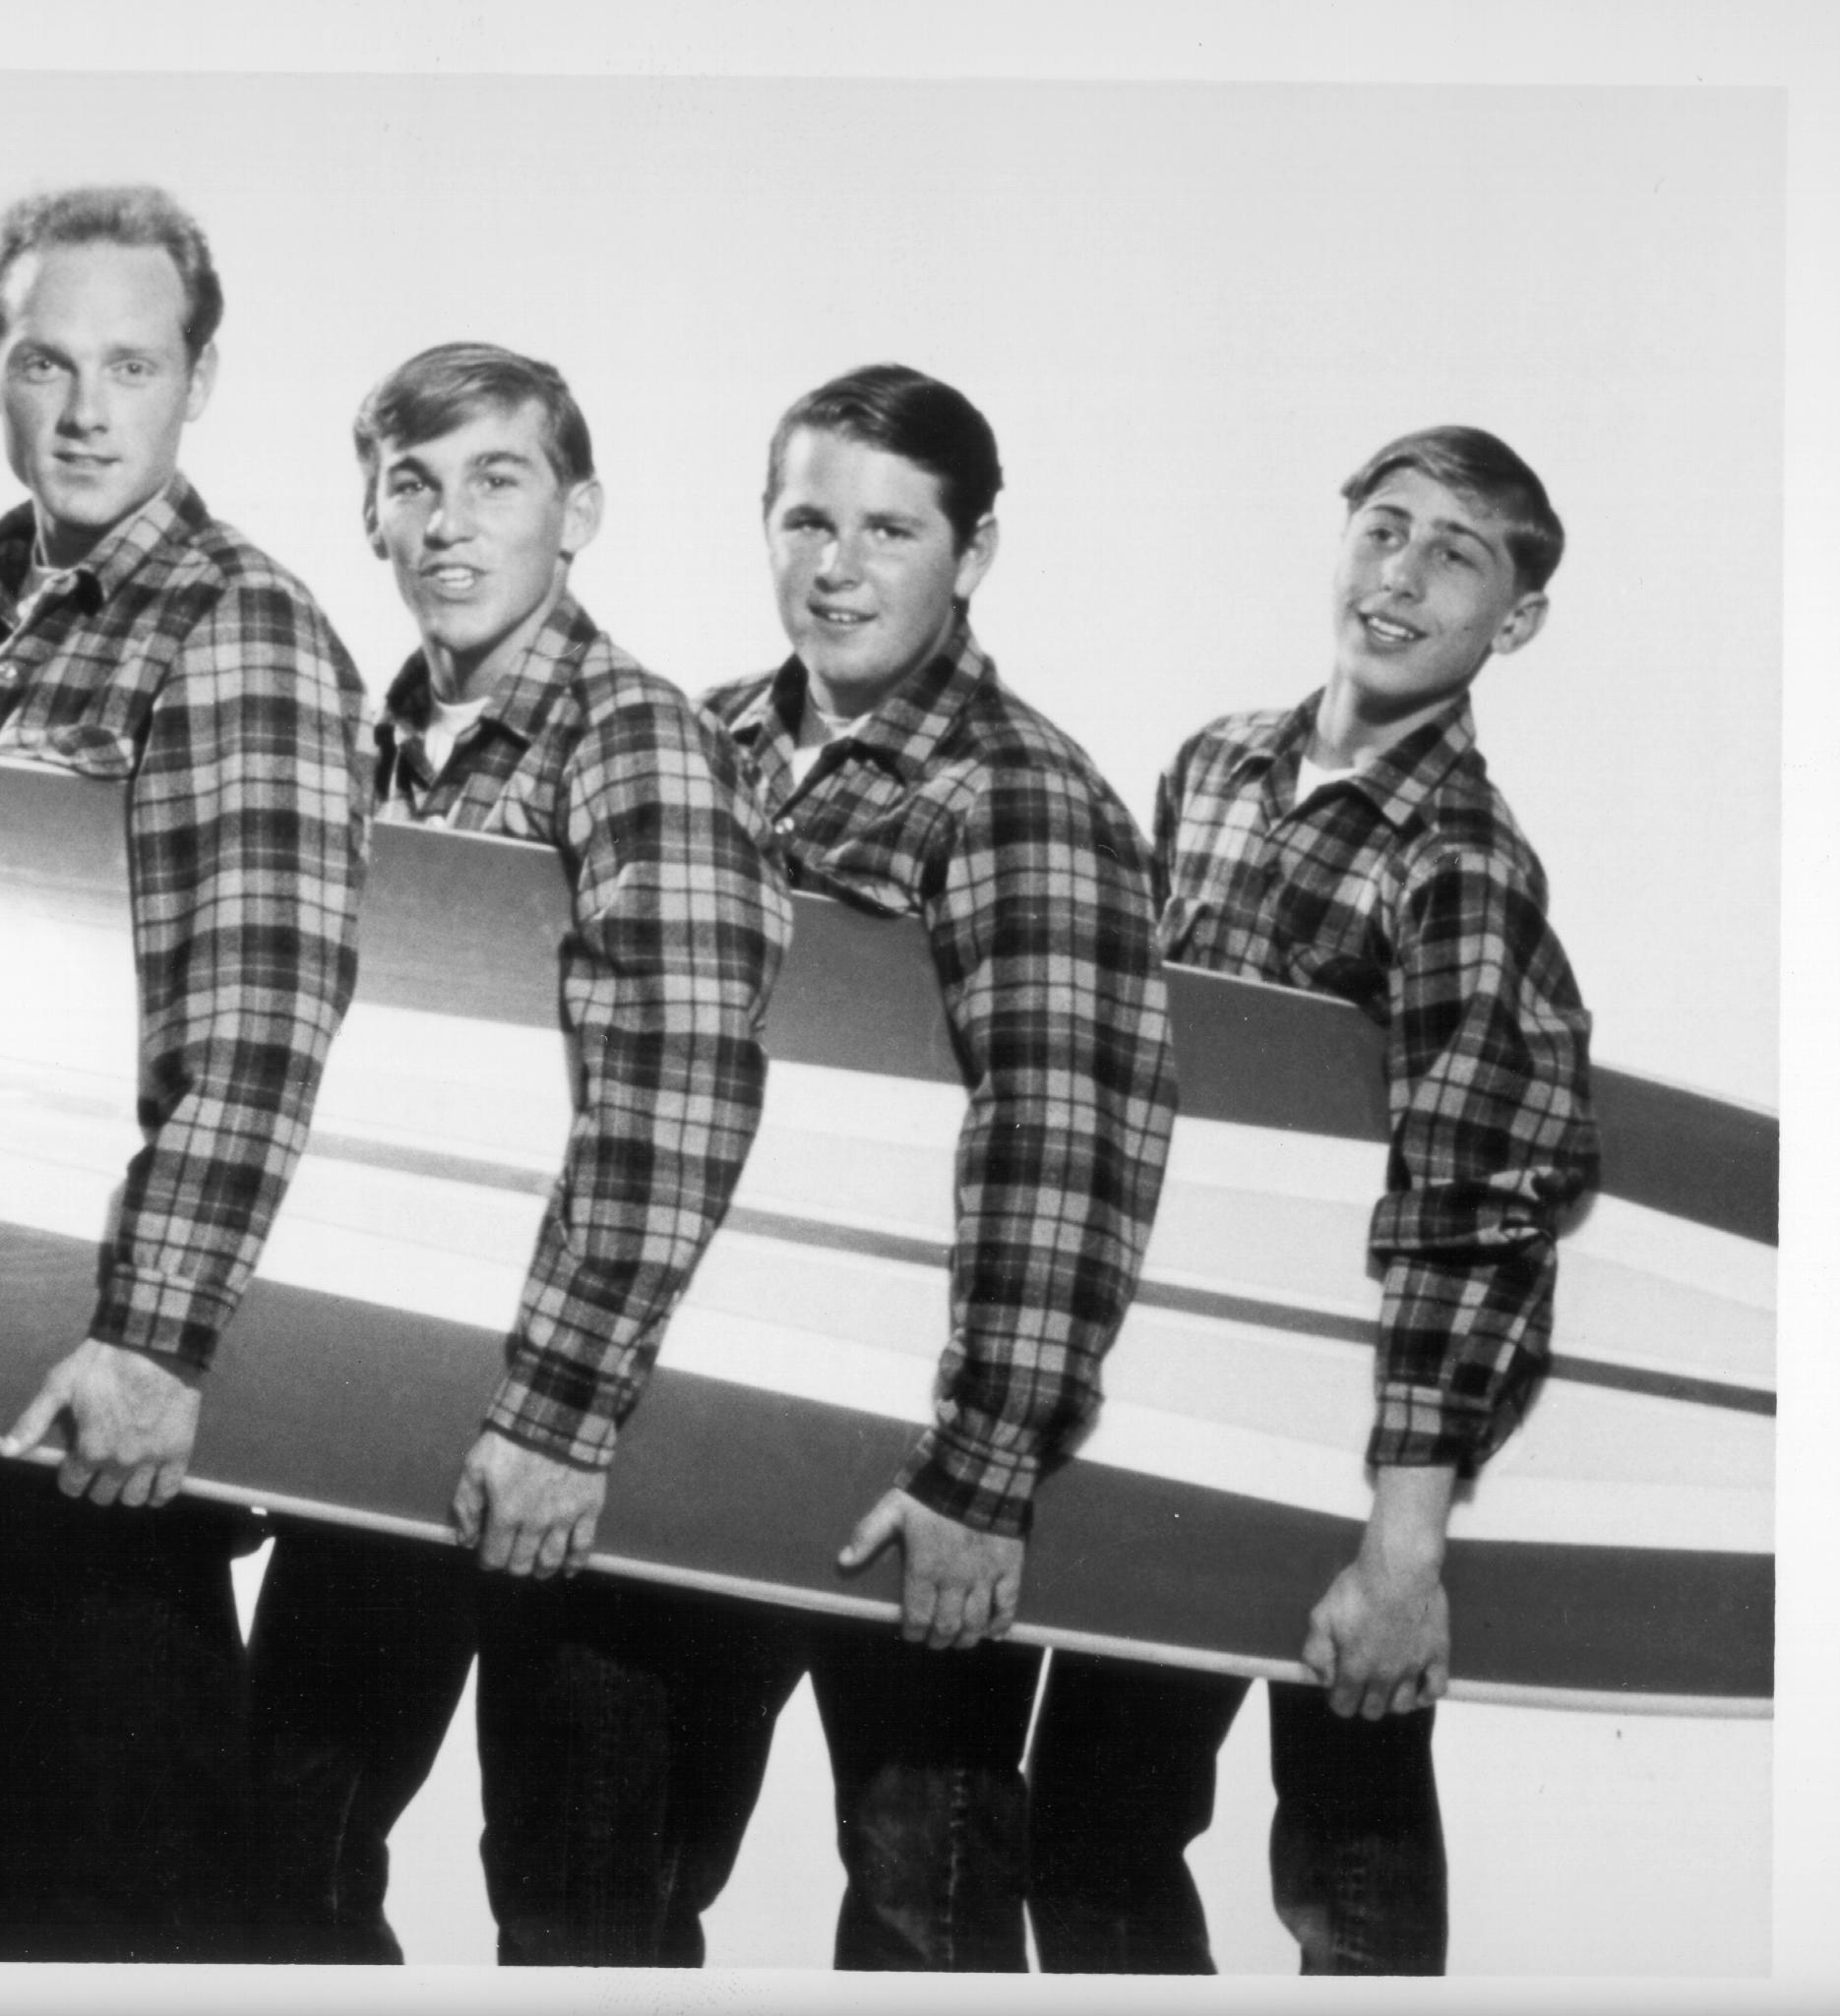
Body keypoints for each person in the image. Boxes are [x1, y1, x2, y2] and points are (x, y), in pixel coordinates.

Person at [0, 184, 371, 1962]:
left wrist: (155, 1335)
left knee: (118, 1915)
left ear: (195, 383)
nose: (84, 407)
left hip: (98, 1391)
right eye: (44, 360)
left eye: (131, 365)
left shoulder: (239, 626)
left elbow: (260, 1013)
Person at [241, 342, 794, 1966]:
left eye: (497, 479)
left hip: (582, 1430)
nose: (450, 523)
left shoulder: (634, 740)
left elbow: (677, 1087)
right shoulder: (355, 749)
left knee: (575, 1911)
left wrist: (557, 1417)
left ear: (579, 511)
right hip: (391, 1416)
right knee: (278, 1849)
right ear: (369, 514)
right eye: (413, 484)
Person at [1023, 426, 1601, 1976]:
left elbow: (1473, 1202)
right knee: (1084, 1824)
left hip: (1360, 1429)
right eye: (1384, 528)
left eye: (1455, 555)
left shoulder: (1461, 864)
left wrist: (1401, 1549)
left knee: (1344, 1848)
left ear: (1514, 621)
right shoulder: (1212, 767)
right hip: (1185, 1412)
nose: (1402, 573)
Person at [685, 363, 1179, 1969]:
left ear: (969, 554)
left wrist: (980, 1473)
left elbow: (1064, 1140)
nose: (836, 565)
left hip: (914, 1460)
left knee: (922, 1914)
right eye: (805, 519)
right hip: (694, 1413)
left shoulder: (1019, 796)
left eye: (888, 529)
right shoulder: (691, 747)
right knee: (594, 1877)